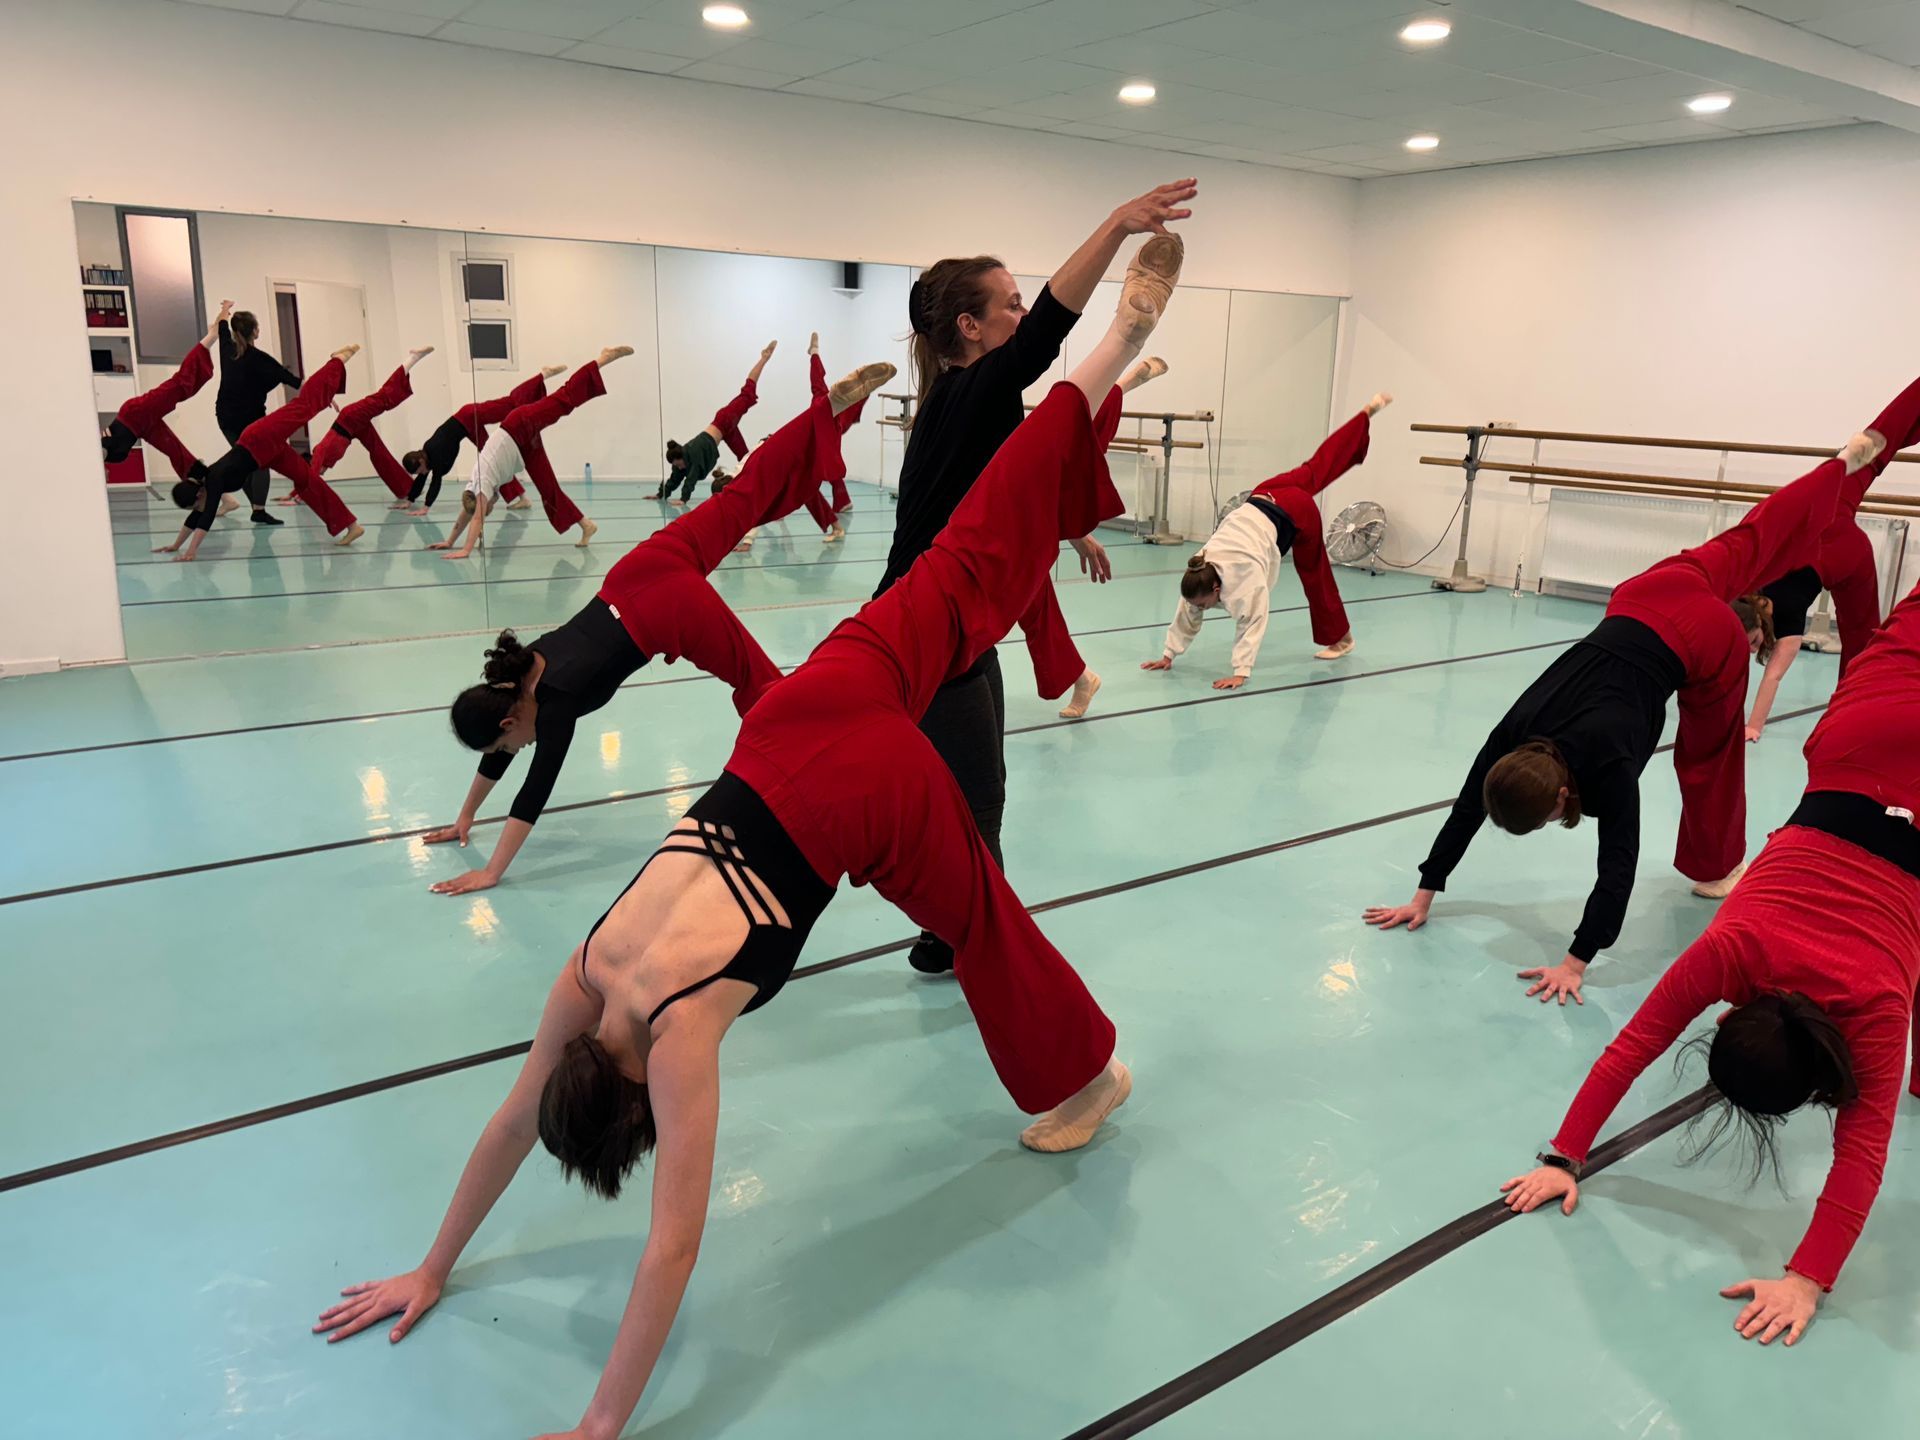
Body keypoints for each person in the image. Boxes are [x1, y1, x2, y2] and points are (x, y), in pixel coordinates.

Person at [311, 262, 1173, 1440]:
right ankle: (1100, 365)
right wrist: (430, 1260)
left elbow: (671, 1245)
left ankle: (1096, 1076)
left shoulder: (676, 1041)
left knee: (981, 919)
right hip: (794, 720)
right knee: (962, 560)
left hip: (867, 797)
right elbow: (510, 1120)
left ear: (630, 1108)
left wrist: (602, 1421)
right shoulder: (585, 973)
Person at [1363, 372, 1920, 1006]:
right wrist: (1423, 893)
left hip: (1704, 637)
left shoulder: (1605, 765)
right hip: (1645, 593)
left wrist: (1576, 962)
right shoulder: (1513, 734)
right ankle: (1840, 468)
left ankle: (1717, 870)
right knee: (1752, 538)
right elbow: (1471, 806)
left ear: (1562, 796)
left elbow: (1617, 867)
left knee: (1708, 757)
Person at [1499, 568, 1920, 1349]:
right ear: (1735, 1012)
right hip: (1857, 742)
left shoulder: (1877, 1005)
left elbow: (1863, 1158)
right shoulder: (1735, 946)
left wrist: (1805, 1279)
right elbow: (1632, 1047)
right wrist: (1563, 1155)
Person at [422, 355, 896, 895]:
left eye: (508, 745)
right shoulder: (519, 668)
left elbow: (533, 791)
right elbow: (502, 760)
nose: (516, 751)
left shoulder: (552, 709)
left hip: (667, 609)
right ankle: (826, 410)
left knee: (765, 690)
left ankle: (840, 803)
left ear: (509, 723)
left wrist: (491, 871)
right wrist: (465, 819)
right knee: (745, 495)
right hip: (637, 570)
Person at [884, 179, 1197, 974]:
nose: (1023, 315)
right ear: (969, 325)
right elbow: (1048, 342)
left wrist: (1078, 532)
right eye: (1010, 305)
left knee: (971, 790)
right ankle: (976, 941)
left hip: (959, 623)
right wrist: (1116, 227)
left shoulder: (969, 404)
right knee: (975, 795)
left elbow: (1018, 477)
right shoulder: (968, 391)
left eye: (1023, 302)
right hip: (923, 630)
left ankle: (951, 929)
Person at [1142, 394, 1391, 689]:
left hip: (1296, 511)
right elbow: (1187, 613)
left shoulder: (1244, 583)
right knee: (1316, 467)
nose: (1202, 609)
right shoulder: (1199, 571)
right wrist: (1168, 654)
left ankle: (1342, 639)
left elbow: (1253, 622)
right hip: (1266, 491)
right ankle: (1364, 415)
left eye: (1205, 604)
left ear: (1217, 588)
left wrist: (1241, 671)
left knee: (1314, 573)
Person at [153, 345, 364, 561]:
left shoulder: (213, 481)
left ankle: (337, 361)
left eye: (196, 505)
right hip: (266, 453)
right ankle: (351, 525)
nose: (198, 509)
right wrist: (175, 545)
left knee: (305, 406)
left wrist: (191, 552)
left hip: (260, 438)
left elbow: (205, 518)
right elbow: (196, 516)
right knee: (306, 480)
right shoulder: (205, 488)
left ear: (198, 495)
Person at [429, 350, 624, 559]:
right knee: (547, 487)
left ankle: (601, 360)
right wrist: (449, 541)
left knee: (562, 400)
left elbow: (476, 518)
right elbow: (468, 514)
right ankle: (586, 525)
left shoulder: (482, 484)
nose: (491, 506)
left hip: (519, 425)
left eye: (487, 507)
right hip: (522, 446)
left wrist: (465, 550)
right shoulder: (472, 491)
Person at [402, 366, 567, 514]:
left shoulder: (435, 452)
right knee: (495, 462)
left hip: (469, 416)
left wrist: (426, 507)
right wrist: (410, 500)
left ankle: (542, 375)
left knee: (510, 403)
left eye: (419, 470)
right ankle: (522, 498)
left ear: (421, 460)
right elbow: (422, 479)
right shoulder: (426, 456)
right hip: (468, 428)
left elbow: (435, 481)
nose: (421, 473)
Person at [285, 346, 433, 504]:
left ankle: (412, 358)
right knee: (378, 451)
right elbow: (310, 476)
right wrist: (291, 494)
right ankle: (406, 489)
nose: (321, 473)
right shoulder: (322, 460)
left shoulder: (319, 453)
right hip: (352, 429)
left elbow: (311, 475)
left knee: (384, 399)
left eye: (318, 471)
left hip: (350, 418)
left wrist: (298, 497)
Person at [101, 302, 227, 485]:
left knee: (180, 385)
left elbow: (105, 445)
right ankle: (220, 494)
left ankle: (211, 337)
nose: (107, 478)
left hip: (135, 413)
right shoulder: (110, 457)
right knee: (176, 451)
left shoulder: (102, 453)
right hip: (140, 427)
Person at [658, 341, 776, 506]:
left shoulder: (694, 451)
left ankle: (764, 358)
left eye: (678, 464)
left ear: (680, 457)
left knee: (748, 392)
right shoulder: (683, 459)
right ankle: (756, 494)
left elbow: (691, 477)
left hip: (725, 419)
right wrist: (660, 494)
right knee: (747, 460)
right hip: (727, 431)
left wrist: (684, 499)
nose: (679, 468)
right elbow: (675, 477)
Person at [216, 308, 302, 526]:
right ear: (255, 331)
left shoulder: (227, 350)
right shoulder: (261, 359)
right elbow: (293, 380)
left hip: (226, 419)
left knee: (242, 462)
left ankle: (256, 507)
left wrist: (225, 310)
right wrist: (324, 393)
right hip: (251, 420)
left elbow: (222, 327)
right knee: (260, 463)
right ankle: (259, 509)